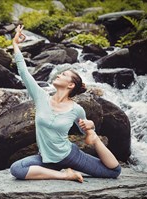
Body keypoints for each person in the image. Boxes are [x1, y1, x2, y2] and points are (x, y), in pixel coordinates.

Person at [10, 25, 121, 183]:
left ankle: (70, 166)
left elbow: (86, 133)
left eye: (63, 74)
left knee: (113, 172)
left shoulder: (77, 109)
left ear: (71, 85)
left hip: (70, 156)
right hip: (46, 160)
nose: (58, 75)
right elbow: (23, 72)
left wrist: (91, 129)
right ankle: (65, 175)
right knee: (17, 169)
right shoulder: (41, 97)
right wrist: (15, 44)